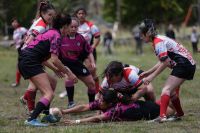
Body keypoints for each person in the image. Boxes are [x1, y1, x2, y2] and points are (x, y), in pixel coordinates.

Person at [18, 13, 77, 127]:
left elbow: (44, 58)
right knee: (49, 93)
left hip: (26, 60)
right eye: (70, 26)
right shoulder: (57, 36)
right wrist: (69, 73)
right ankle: (31, 119)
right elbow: (55, 59)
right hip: (30, 62)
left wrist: (55, 69)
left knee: (52, 82)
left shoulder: (51, 33)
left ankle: (45, 115)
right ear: (64, 26)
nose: (71, 29)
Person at [139, 19, 196, 123]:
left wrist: (151, 77)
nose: (140, 36)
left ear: (148, 33)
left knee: (166, 90)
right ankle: (179, 113)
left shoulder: (158, 42)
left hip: (184, 64)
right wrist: (148, 72)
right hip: (187, 64)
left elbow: (166, 63)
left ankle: (162, 116)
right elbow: (163, 60)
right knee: (172, 92)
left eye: (142, 34)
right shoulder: (158, 40)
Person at [19, 1, 56, 115]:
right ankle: (34, 111)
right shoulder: (41, 26)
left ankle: (30, 105)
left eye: (53, 15)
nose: (51, 17)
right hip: (30, 56)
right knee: (46, 84)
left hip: (31, 55)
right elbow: (33, 34)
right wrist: (28, 43)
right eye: (49, 15)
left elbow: (37, 18)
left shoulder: (41, 20)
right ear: (43, 14)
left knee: (37, 83)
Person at [63, 89, 174, 124]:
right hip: (143, 106)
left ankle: (171, 98)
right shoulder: (104, 101)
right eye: (100, 100)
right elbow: (84, 107)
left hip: (149, 110)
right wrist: (64, 111)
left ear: (110, 104)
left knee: (171, 112)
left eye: (102, 102)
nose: (99, 102)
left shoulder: (117, 109)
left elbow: (97, 118)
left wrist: (76, 121)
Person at [59, 7, 101, 99]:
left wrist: (92, 47)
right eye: (79, 13)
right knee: (70, 71)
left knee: (92, 72)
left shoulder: (90, 25)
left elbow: (97, 37)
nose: (81, 15)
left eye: (83, 13)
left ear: (85, 15)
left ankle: (96, 92)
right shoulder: (70, 24)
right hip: (73, 53)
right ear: (76, 15)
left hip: (85, 52)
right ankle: (69, 89)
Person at [10, 18, 27, 87]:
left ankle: (17, 82)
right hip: (19, 50)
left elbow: (29, 34)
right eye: (13, 22)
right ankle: (17, 82)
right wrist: (13, 43)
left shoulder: (22, 29)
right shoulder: (15, 31)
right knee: (19, 66)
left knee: (20, 66)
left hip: (24, 49)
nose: (14, 23)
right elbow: (17, 40)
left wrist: (22, 41)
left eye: (15, 22)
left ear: (18, 23)